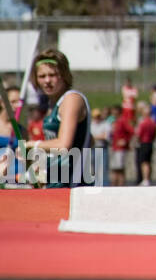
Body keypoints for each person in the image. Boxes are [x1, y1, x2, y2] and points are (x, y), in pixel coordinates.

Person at [25, 49, 93, 189]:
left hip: (73, 187)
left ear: (64, 75)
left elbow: (63, 145)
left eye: (53, 75)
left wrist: (32, 145)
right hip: (56, 182)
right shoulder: (53, 104)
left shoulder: (71, 99)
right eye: (42, 76)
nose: (47, 81)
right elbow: (90, 139)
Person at [109, 106, 134, 187]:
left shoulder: (123, 121)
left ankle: (120, 185)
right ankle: (115, 184)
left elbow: (131, 131)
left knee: (119, 168)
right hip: (115, 147)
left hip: (120, 149)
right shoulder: (115, 121)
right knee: (114, 168)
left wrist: (125, 140)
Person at [135, 106, 156, 186]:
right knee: (148, 161)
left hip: (144, 143)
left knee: (144, 162)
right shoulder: (152, 122)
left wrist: (137, 141)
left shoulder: (143, 123)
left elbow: (139, 134)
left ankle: (145, 179)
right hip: (150, 143)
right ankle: (148, 178)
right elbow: (155, 134)